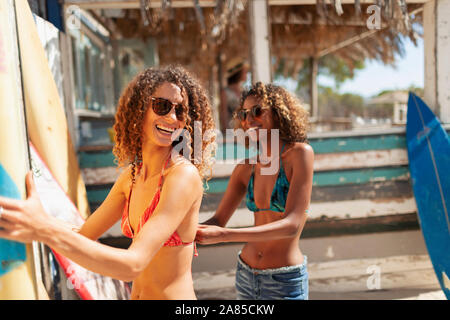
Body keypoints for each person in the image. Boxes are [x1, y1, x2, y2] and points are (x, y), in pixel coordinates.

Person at [0, 65, 216, 300]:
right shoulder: (131, 177)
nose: (172, 118)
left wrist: (44, 229)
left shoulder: (182, 177)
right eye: (162, 106)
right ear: (139, 109)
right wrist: (39, 221)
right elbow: (83, 234)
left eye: (181, 111)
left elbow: (132, 265)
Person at [196, 82, 313, 300]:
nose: (249, 120)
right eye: (244, 114)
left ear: (278, 114)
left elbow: (292, 225)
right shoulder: (245, 168)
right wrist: (181, 233)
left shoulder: (300, 155)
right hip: (246, 276)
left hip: (284, 281)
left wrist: (225, 236)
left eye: (257, 111)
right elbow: (218, 220)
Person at [220, 57, 249, 133]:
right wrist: (226, 132)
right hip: (231, 131)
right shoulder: (225, 92)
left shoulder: (245, 91)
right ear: (238, 73)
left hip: (245, 130)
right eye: (245, 72)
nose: (247, 74)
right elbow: (224, 113)